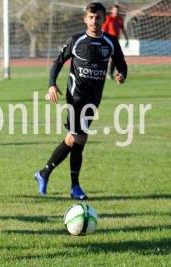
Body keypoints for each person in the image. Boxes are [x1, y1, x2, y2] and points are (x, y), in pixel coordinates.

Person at [33, 2, 128, 200]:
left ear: (104, 19)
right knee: (79, 138)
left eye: (98, 17)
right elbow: (58, 62)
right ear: (85, 19)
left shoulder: (110, 42)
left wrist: (121, 75)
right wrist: (52, 84)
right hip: (75, 96)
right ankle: (75, 186)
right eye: (91, 17)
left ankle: (43, 173)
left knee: (71, 139)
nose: (94, 21)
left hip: (94, 99)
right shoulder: (76, 40)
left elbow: (121, 64)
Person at [102, 4, 129, 79]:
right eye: (115, 10)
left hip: (116, 41)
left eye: (118, 10)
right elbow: (104, 30)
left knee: (115, 57)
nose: (116, 12)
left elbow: (123, 29)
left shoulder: (120, 19)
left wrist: (127, 39)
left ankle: (110, 73)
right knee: (107, 57)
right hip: (108, 40)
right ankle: (106, 73)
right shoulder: (108, 18)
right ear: (112, 10)